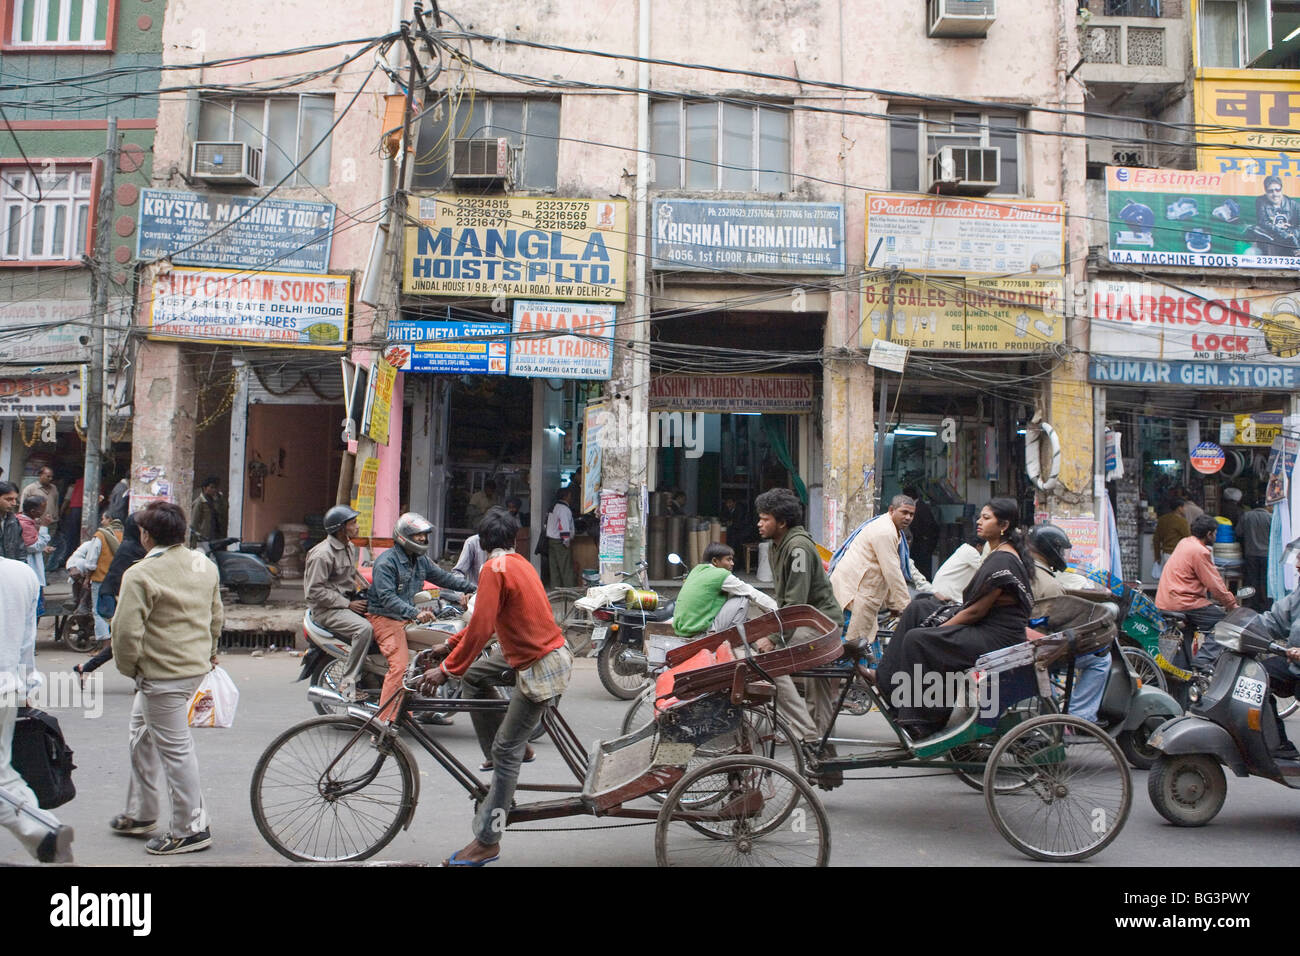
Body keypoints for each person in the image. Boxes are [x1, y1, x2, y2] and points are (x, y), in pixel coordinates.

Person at [417, 507, 573, 867]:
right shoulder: (520, 565)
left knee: (506, 751)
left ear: (481, 543)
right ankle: (510, 754)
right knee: (474, 678)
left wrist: (445, 670)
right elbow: (479, 626)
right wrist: (449, 649)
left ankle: (488, 840)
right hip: (536, 652)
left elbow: (483, 627)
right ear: (513, 539)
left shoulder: (493, 569)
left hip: (539, 665)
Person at [109, 501, 222, 855]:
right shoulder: (203, 564)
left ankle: (191, 827)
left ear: (145, 535)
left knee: (175, 750)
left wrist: (130, 669)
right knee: (140, 736)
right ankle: (141, 812)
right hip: (192, 668)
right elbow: (215, 616)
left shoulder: (140, 574)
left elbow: (125, 633)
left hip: (162, 676)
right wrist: (210, 651)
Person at [873, 498, 1036, 740]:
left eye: (986, 518)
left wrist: (939, 629)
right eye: (980, 516)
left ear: (1003, 525)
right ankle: (885, 679)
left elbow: (975, 612)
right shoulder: (997, 552)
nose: (979, 522)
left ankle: (925, 719)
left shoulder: (1003, 559)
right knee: (918, 608)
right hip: (984, 624)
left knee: (919, 639)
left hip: (996, 635)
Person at [755, 488, 843, 785]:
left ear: (781, 522)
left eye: (765, 519)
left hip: (820, 624)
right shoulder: (776, 545)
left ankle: (807, 737)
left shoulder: (798, 549)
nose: (759, 523)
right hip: (803, 621)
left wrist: (776, 640)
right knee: (819, 694)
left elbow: (795, 602)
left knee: (768, 663)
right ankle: (824, 761)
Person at [365, 513, 476, 722]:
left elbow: (445, 578)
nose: (423, 540)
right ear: (405, 537)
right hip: (387, 619)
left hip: (409, 618)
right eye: (418, 536)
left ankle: (422, 710)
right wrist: (416, 612)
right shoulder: (386, 563)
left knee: (435, 652)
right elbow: (387, 598)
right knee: (401, 667)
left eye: (425, 536)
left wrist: (478, 588)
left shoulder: (420, 560)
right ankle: (384, 724)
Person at [0, 556, 74, 863]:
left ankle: (45, 831)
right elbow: (26, 642)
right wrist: (26, 686)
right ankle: (46, 831)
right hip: (6, 686)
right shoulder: (20, 574)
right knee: (3, 775)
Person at [303, 505, 373, 702]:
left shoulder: (350, 547)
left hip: (346, 603)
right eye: (353, 524)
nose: (357, 527)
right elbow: (314, 591)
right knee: (364, 629)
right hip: (327, 610)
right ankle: (348, 682)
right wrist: (346, 604)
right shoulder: (322, 554)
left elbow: (352, 576)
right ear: (341, 529)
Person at [829, 495, 914, 649]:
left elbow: (886, 572)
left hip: (860, 594)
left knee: (866, 644)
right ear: (891, 510)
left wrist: (895, 605)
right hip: (853, 595)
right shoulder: (885, 532)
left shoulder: (890, 529)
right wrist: (907, 608)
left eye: (911, 514)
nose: (908, 517)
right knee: (854, 646)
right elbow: (892, 571)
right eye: (904, 512)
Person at [74, 513, 148, 687]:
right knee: (132, 641)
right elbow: (119, 578)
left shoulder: (137, 546)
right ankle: (142, 680)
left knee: (122, 643)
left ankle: (85, 668)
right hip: (119, 600)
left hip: (128, 600)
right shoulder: (130, 548)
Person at [1156, 514, 1238, 667]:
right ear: (1208, 534)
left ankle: (1185, 672)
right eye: (1215, 533)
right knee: (1225, 623)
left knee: (1188, 632)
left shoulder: (1184, 542)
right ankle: (1203, 660)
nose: (1215, 536)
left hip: (1166, 600)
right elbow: (1215, 584)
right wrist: (1232, 605)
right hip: (1183, 602)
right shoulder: (1200, 551)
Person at [673, 542, 778, 637]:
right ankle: (731, 637)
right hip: (699, 632)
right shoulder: (720, 574)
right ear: (715, 561)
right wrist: (776, 609)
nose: (732, 563)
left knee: (732, 593)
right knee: (743, 597)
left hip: (682, 630)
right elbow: (750, 592)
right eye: (728, 559)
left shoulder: (696, 570)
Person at [65, 513, 123, 647]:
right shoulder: (123, 536)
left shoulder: (100, 536)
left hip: (101, 578)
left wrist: (87, 579)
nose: (101, 522)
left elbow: (91, 562)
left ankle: (105, 645)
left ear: (110, 520)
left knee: (99, 612)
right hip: (118, 579)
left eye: (103, 519)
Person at [17, 496, 51, 625]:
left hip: (30, 569)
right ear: (33, 511)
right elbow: (33, 546)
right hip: (31, 570)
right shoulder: (25, 524)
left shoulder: (24, 522)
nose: (44, 512)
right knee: (32, 612)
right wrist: (44, 528)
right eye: (42, 509)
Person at [1251, 174, 1300, 254]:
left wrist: (1291, 233)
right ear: (1265, 191)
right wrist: (1280, 230)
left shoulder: (1294, 205)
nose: (1275, 194)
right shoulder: (1260, 201)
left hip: (1290, 241)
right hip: (1272, 239)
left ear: (1282, 189)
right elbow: (1263, 222)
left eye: (1278, 190)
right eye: (1270, 191)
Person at [1238, 500, 1273, 612]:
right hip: (1266, 554)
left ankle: (1252, 603)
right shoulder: (1271, 517)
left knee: (1252, 579)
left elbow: (1238, 532)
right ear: (1266, 506)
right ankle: (1265, 604)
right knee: (1265, 580)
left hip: (1251, 553)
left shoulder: (1246, 516)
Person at [903, 485, 939, 578]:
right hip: (919, 547)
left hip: (922, 548)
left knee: (922, 573)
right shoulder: (917, 507)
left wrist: (928, 547)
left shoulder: (922, 508)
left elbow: (931, 529)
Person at [544, 487, 577, 588]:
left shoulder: (553, 507)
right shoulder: (564, 509)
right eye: (570, 495)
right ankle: (569, 591)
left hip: (551, 540)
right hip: (560, 542)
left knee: (554, 567)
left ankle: (556, 590)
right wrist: (566, 542)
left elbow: (545, 525)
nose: (571, 498)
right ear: (566, 496)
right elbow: (564, 527)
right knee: (565, 568)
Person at [1152, 498, 1190, 575]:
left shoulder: (1162, 519)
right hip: (1177, 555)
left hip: (1165, 554)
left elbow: (1156, 539)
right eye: (1184, 507)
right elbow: (1188, 538)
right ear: (1179, 508)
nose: (1186, 509)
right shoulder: (1181, 521)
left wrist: (1157, 556)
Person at [190, 477, 227, 546]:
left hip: (213, 536)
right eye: (211, 487)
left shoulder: (215, 501)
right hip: (202, 539)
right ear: (205, 488)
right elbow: (193, 523)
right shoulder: (200, 502)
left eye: (215, 488)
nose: (214, 490)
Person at [0, 482, 23, 562]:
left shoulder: (14, 521)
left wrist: (22, 567)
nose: (14, 503)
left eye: (15, 499)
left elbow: (21, 549)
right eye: (9, 499)